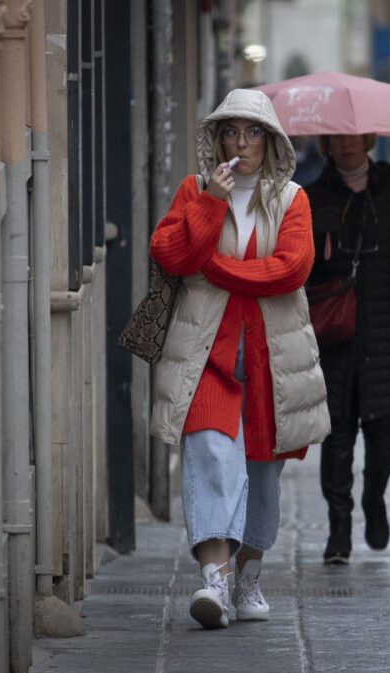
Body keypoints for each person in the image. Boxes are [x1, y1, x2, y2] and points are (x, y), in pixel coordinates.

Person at [149, 88, 330, 629]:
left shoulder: (293, 197)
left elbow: (290, 268)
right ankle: (213, 582)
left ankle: (248, 575)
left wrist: (219, 269)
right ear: (217, 139)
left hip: (272, 356)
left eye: (252, 133)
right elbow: (172, 254)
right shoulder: (195, 189)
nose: (241, 143)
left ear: (271, 141)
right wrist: (209, 203)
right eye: (231, 132)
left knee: (261, 472)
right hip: (206, 351)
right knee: (208, 452)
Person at [304, 133, 390, 564]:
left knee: (383, 436)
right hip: (334, 339)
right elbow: (297, 271)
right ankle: (339, 529)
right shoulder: (311, 197)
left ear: (367, 140)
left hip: (389, 339)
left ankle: (374, 498)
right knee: (337, 435)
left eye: (352, 138)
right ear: (326, 143)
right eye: (336, 138)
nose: (345, 145)